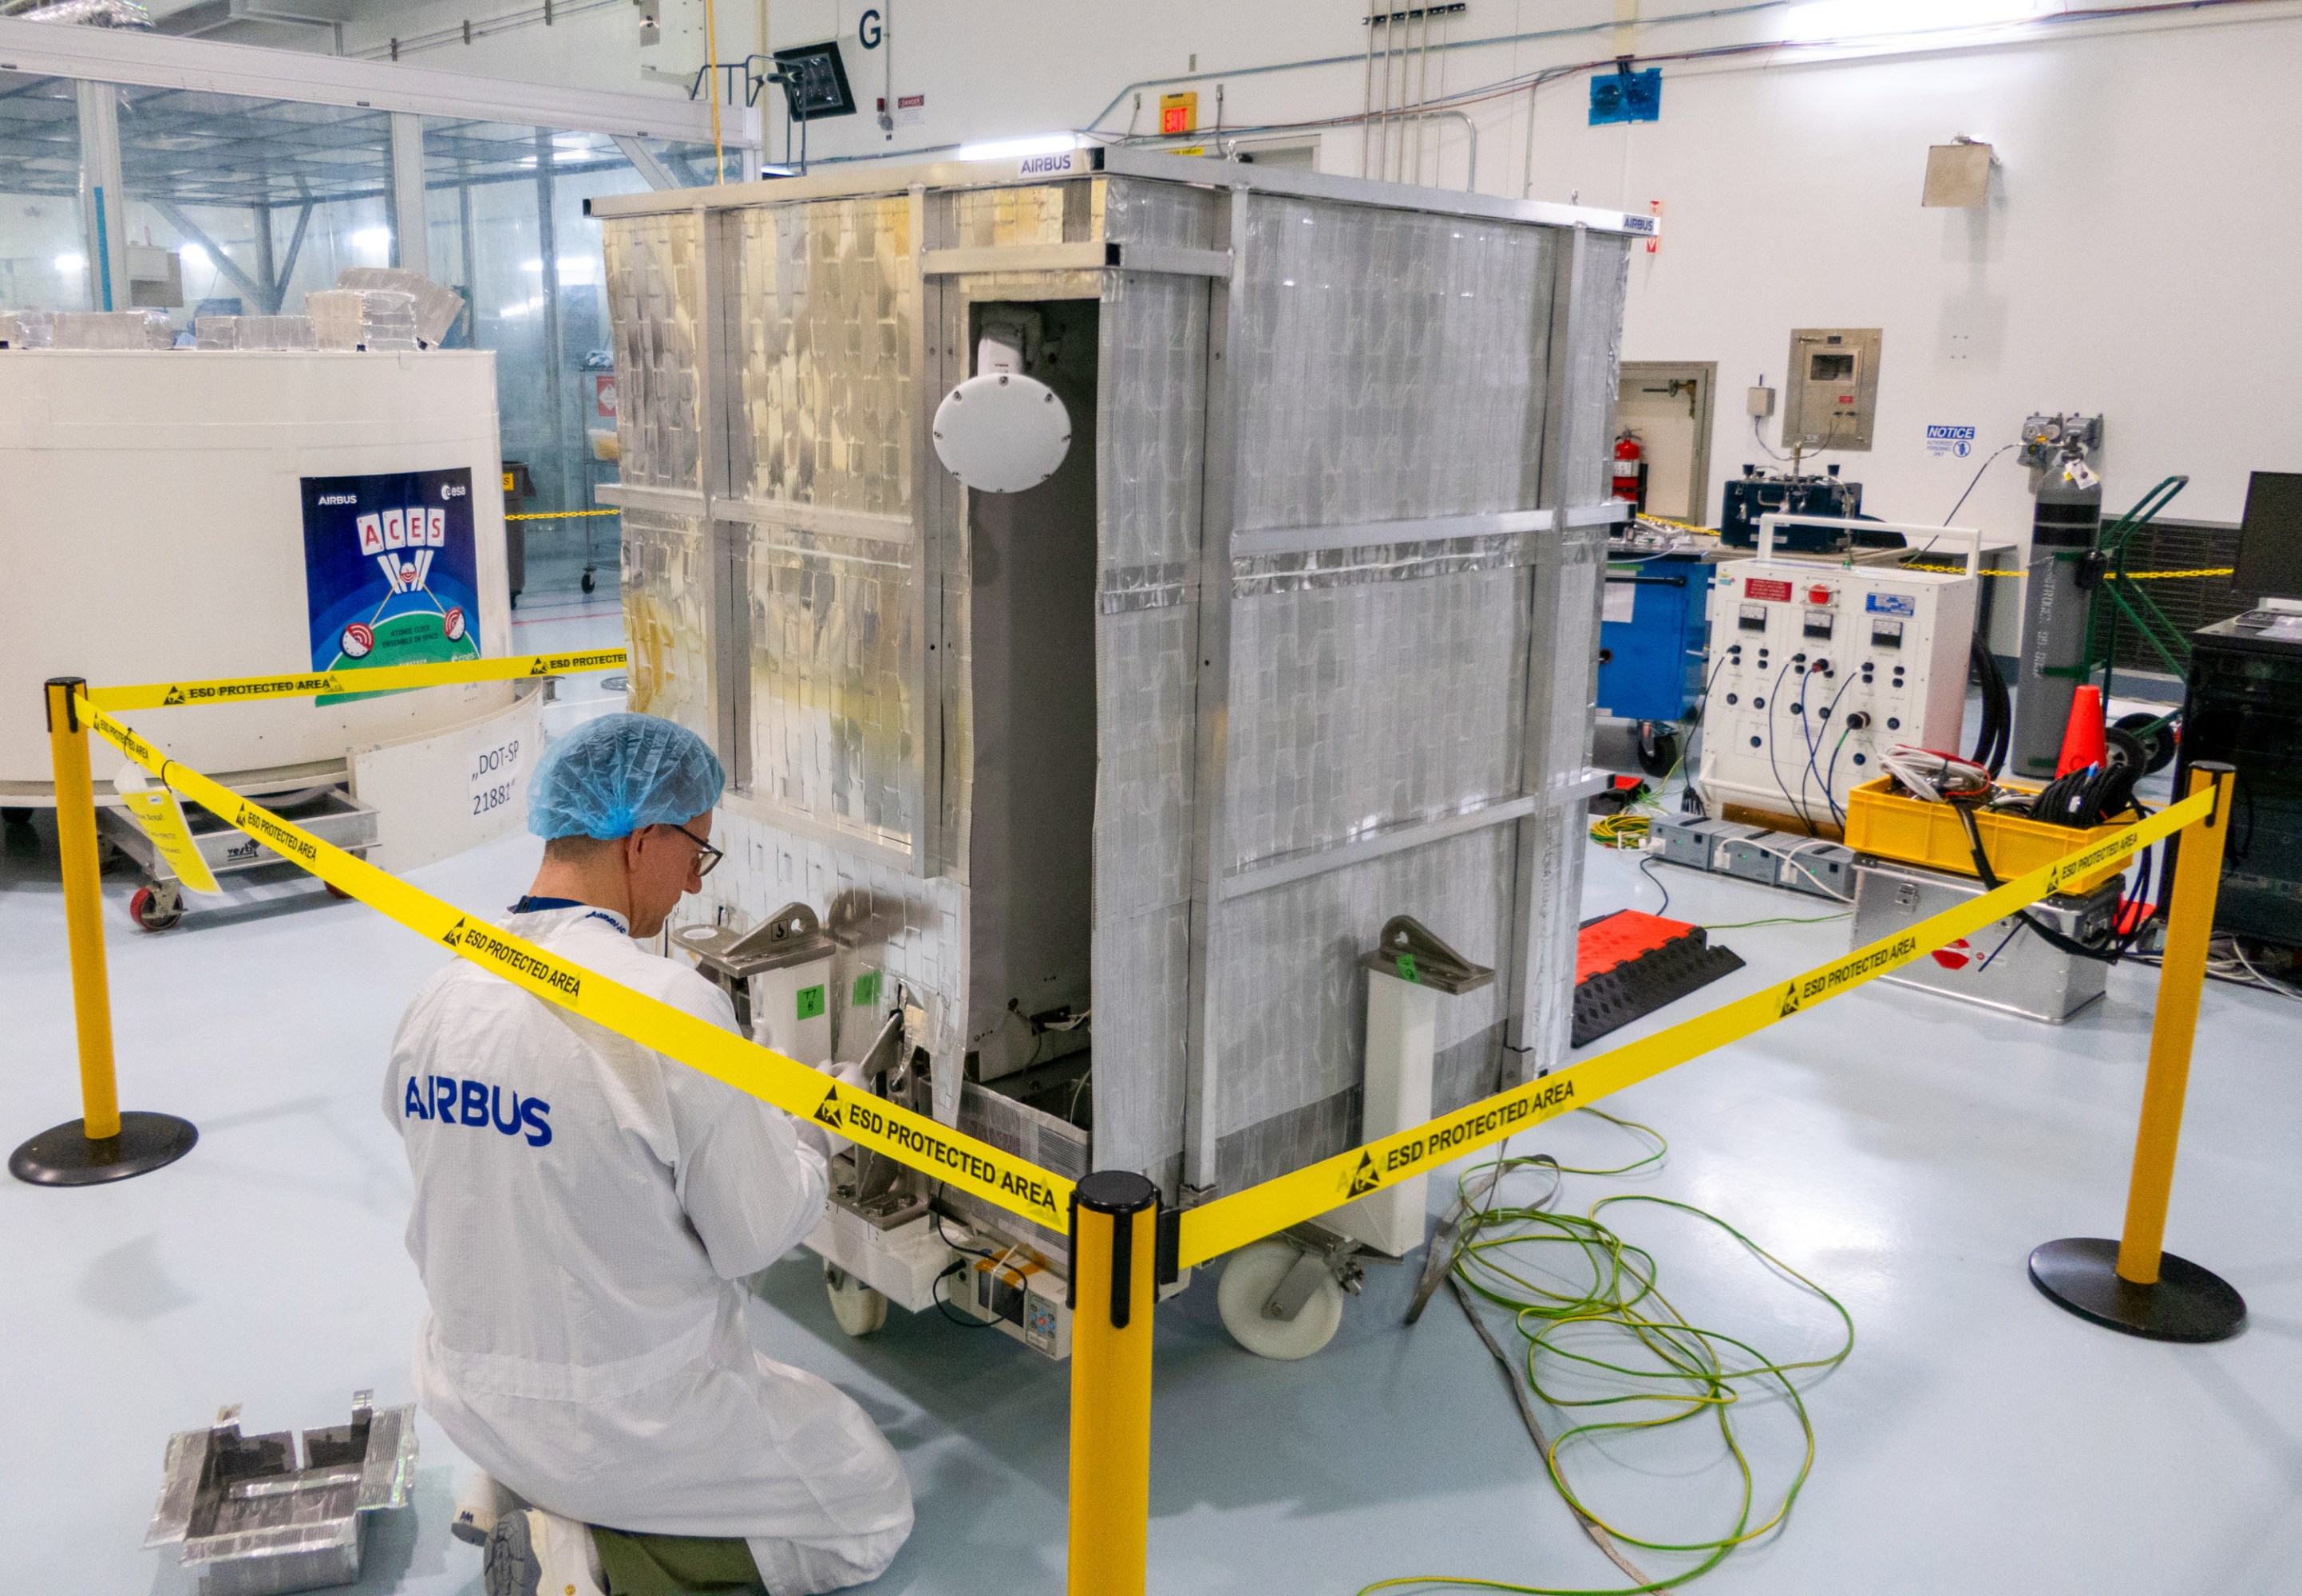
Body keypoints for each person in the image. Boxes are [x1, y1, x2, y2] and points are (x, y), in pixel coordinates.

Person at [382, 712, 912, 1596]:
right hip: (622, 1415)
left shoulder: (443, 989)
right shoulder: (665, 1004)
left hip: (468, 1385)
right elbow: (752, 1235)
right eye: (697, 853)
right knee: (867, 1502)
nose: (694, 889)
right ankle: (594, 1558)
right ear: (643, 839)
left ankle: (517, 1482)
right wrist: (818, 1127)